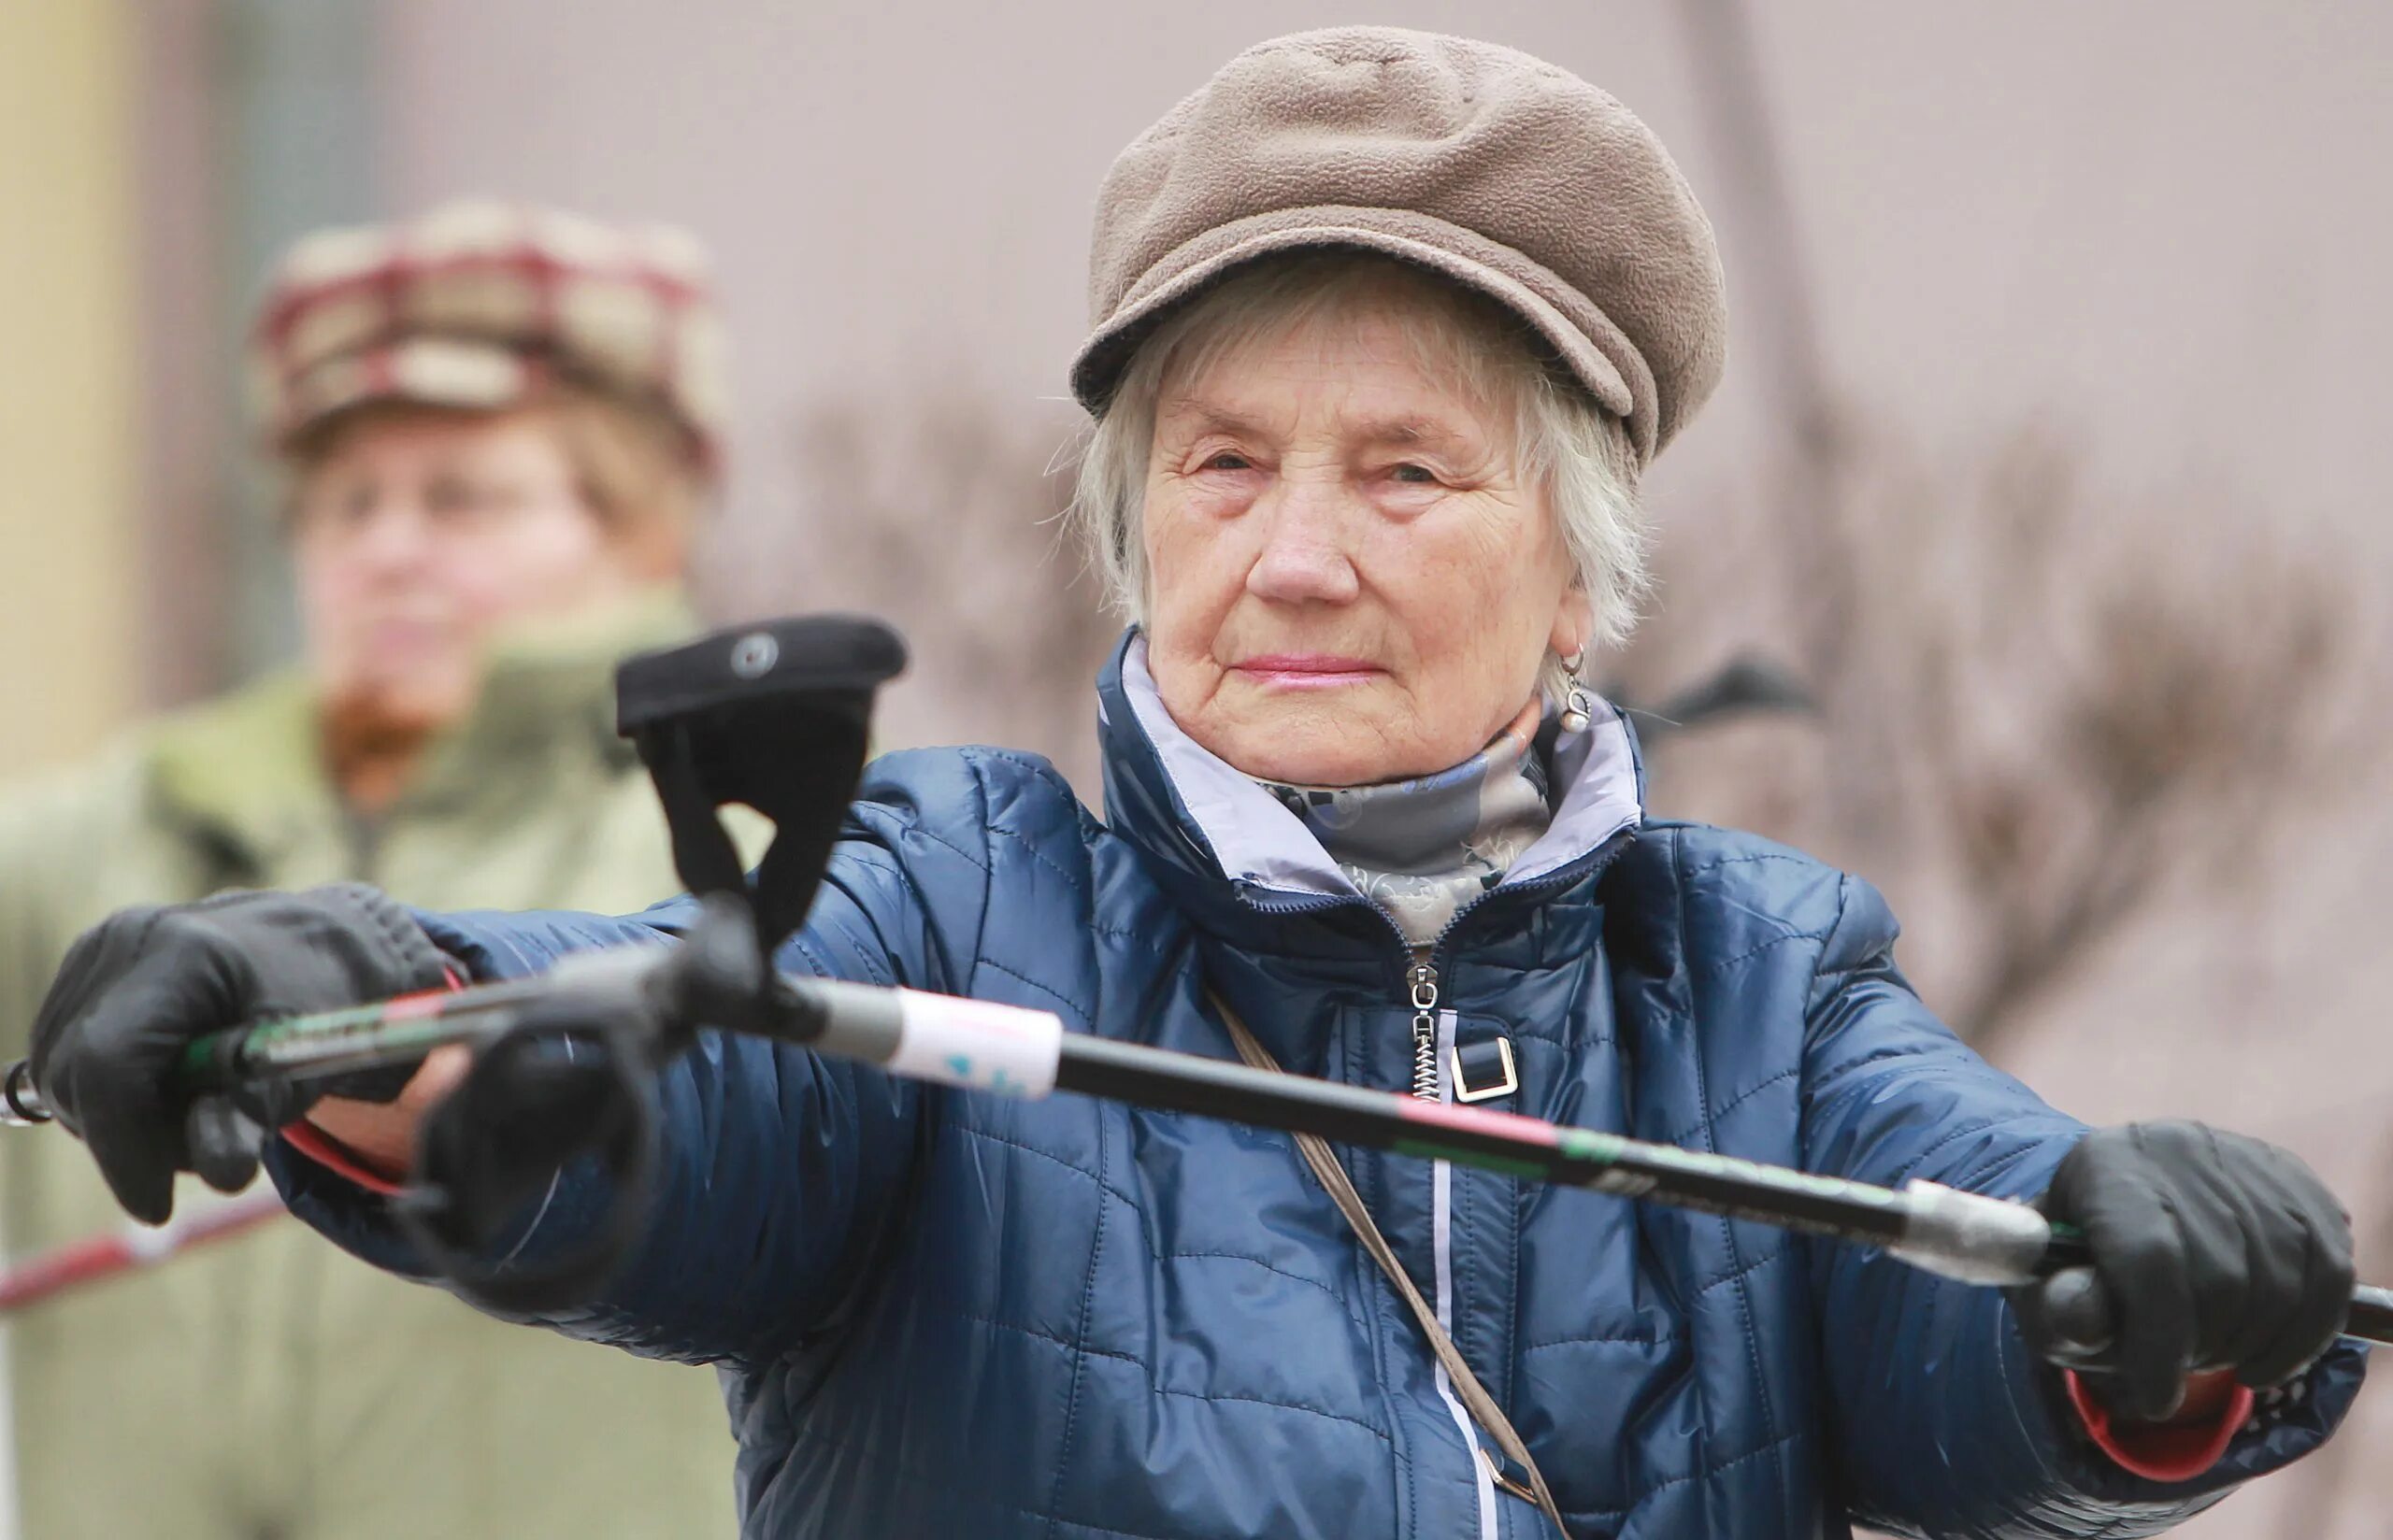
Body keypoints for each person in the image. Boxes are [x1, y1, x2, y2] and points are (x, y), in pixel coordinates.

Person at [23, 30, 2367, 1540]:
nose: (1294, 556)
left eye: (1407, 472)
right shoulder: (948, 889)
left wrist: (2154, 1280)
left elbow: (1994, 1276)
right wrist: (348, 1014)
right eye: (1220, 465)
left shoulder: (1754, 973)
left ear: (1583, 575)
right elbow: (648, 1062)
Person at [0, 203, 738, 1538]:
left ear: (642, 529)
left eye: (461, 497)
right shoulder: (111, 834)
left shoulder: (742, 838)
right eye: (347, 502)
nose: (387, 548)